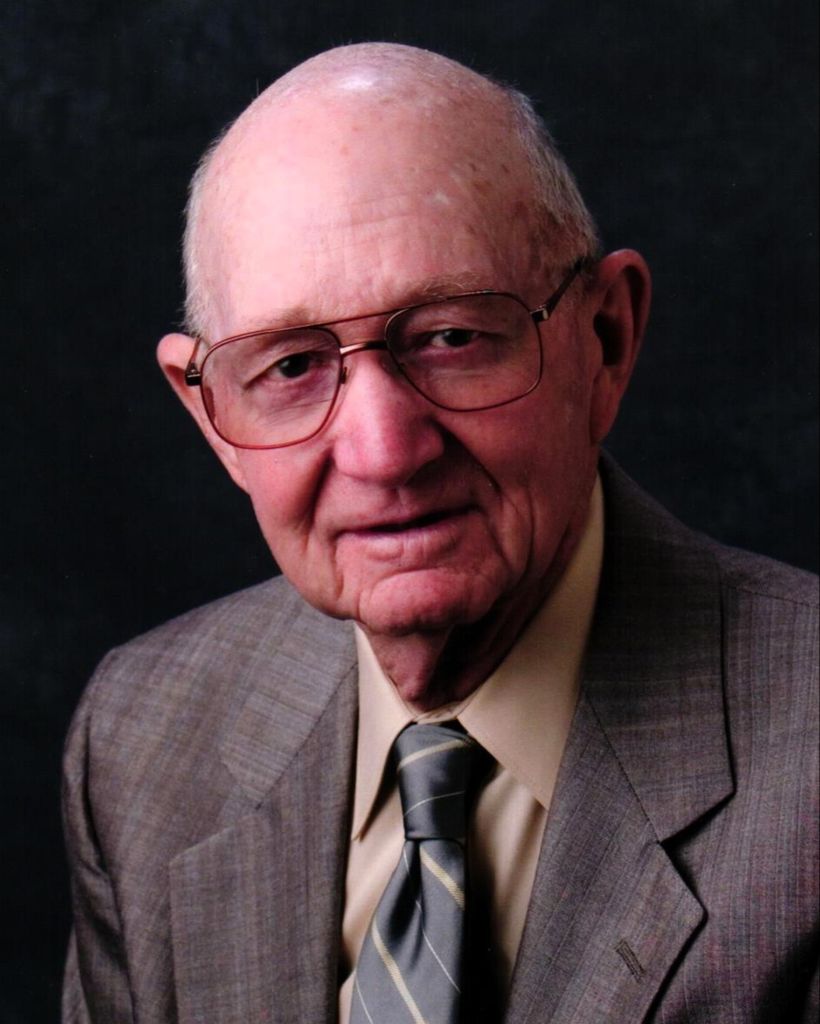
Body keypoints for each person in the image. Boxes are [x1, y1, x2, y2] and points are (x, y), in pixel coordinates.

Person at [62, 43, 818, 1023]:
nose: (385, 453)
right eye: (291, 367)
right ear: (213, 417)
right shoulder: (141, 738)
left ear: (605, 342)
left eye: (452, 337)